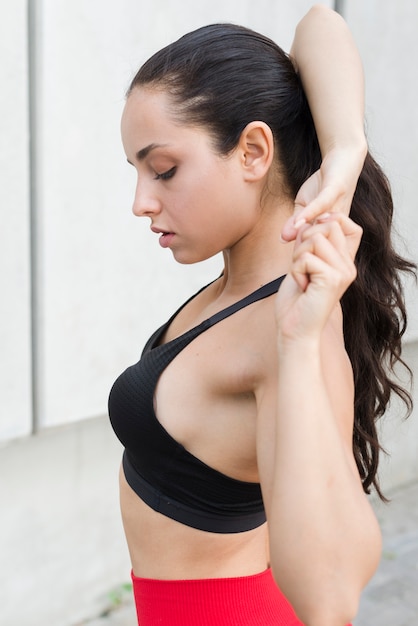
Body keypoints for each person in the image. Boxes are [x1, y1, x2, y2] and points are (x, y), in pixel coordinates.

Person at [108, 5, 415, 625]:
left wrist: (299, 349)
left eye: (164, 170)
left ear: (252, 150)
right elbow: (318, 25)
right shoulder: (237, 289)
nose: (142, 202)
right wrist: (346, 151)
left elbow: (330, 602)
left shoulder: (290, 324)